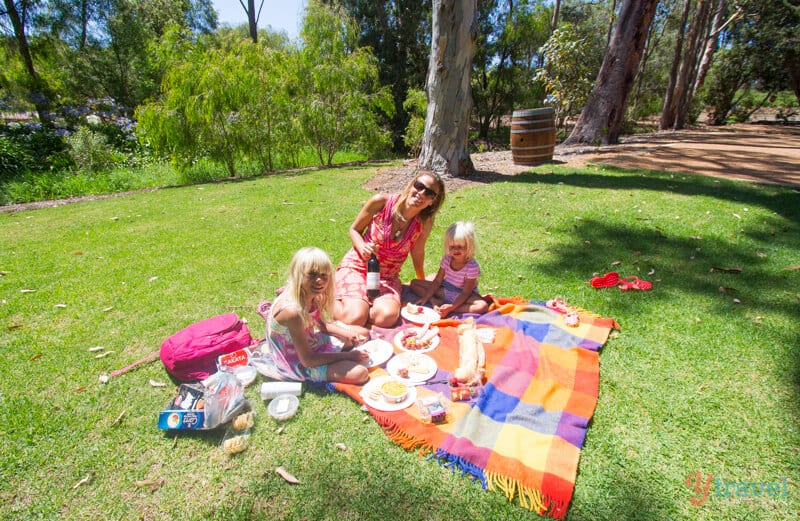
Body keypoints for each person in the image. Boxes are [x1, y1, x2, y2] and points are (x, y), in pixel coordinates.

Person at [334, 170, 446, 328]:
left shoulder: (424, 222)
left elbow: (417, 252)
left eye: (429, 193)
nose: (421, 194)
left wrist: (421, 280)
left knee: (386, 318)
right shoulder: (381, 202)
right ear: (411, 185)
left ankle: (362, 306)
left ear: (432, 201)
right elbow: (354, 229)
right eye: (419, 186)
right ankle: (323, 299)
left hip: (388, 277)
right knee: (354, 318)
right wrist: (362, 247)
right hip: (358, 267)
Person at [261, 247, 370, 384]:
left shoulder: (311, 294)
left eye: (324, 275)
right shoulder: (292, 312)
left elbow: (323, 326)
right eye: (312, 274)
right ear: (298, 274)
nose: (319, 280)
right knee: (360, 373)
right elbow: (307, 360)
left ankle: (342, 351)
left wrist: (349, 334)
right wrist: (349, 356)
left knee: (362, 333)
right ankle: (341, 357)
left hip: (310, 342)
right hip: (297, 361)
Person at [409, 221, 489, 317]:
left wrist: (452, 307)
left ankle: (450, 309)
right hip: (444, 290)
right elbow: (438, 280)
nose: (455, 250)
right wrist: (427, 297)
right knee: (414, 283)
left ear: (469, 246)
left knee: (482, 306)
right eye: (452, 247)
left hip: (461, 295)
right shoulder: (447, 259)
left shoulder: (471, 267)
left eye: (460, 247)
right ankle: (435, 301)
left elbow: (466, 292)